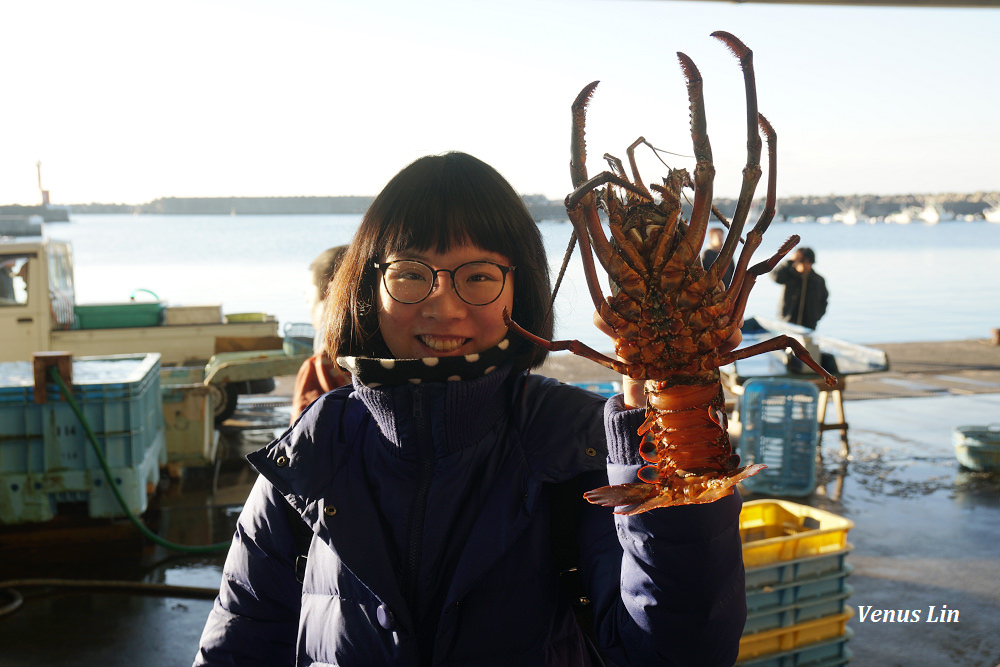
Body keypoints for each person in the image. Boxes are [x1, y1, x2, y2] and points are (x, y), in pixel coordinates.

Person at [193, 152, 747, 666]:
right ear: (368, 286)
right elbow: (239, 640)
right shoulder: (314, 449)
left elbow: (680, 649)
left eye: (478, 276)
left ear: (521, 289)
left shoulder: (584, 444)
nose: (444, 305)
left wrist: (662, 459)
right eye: (410, 273)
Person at [289, 245, 352, 421]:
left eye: (308, 298)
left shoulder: (320, 364)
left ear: (328, 290)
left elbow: (300, 438)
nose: (309, 307)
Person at [771, 246, 828, 330]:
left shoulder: (818, 280)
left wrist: (816, 316)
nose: (805, 266)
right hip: (787, 322)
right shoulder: (788, 275)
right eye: (802, 262)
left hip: (809, 324)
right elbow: (775, 276)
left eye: (808, 263)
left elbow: (824, 300)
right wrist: (790, 261)